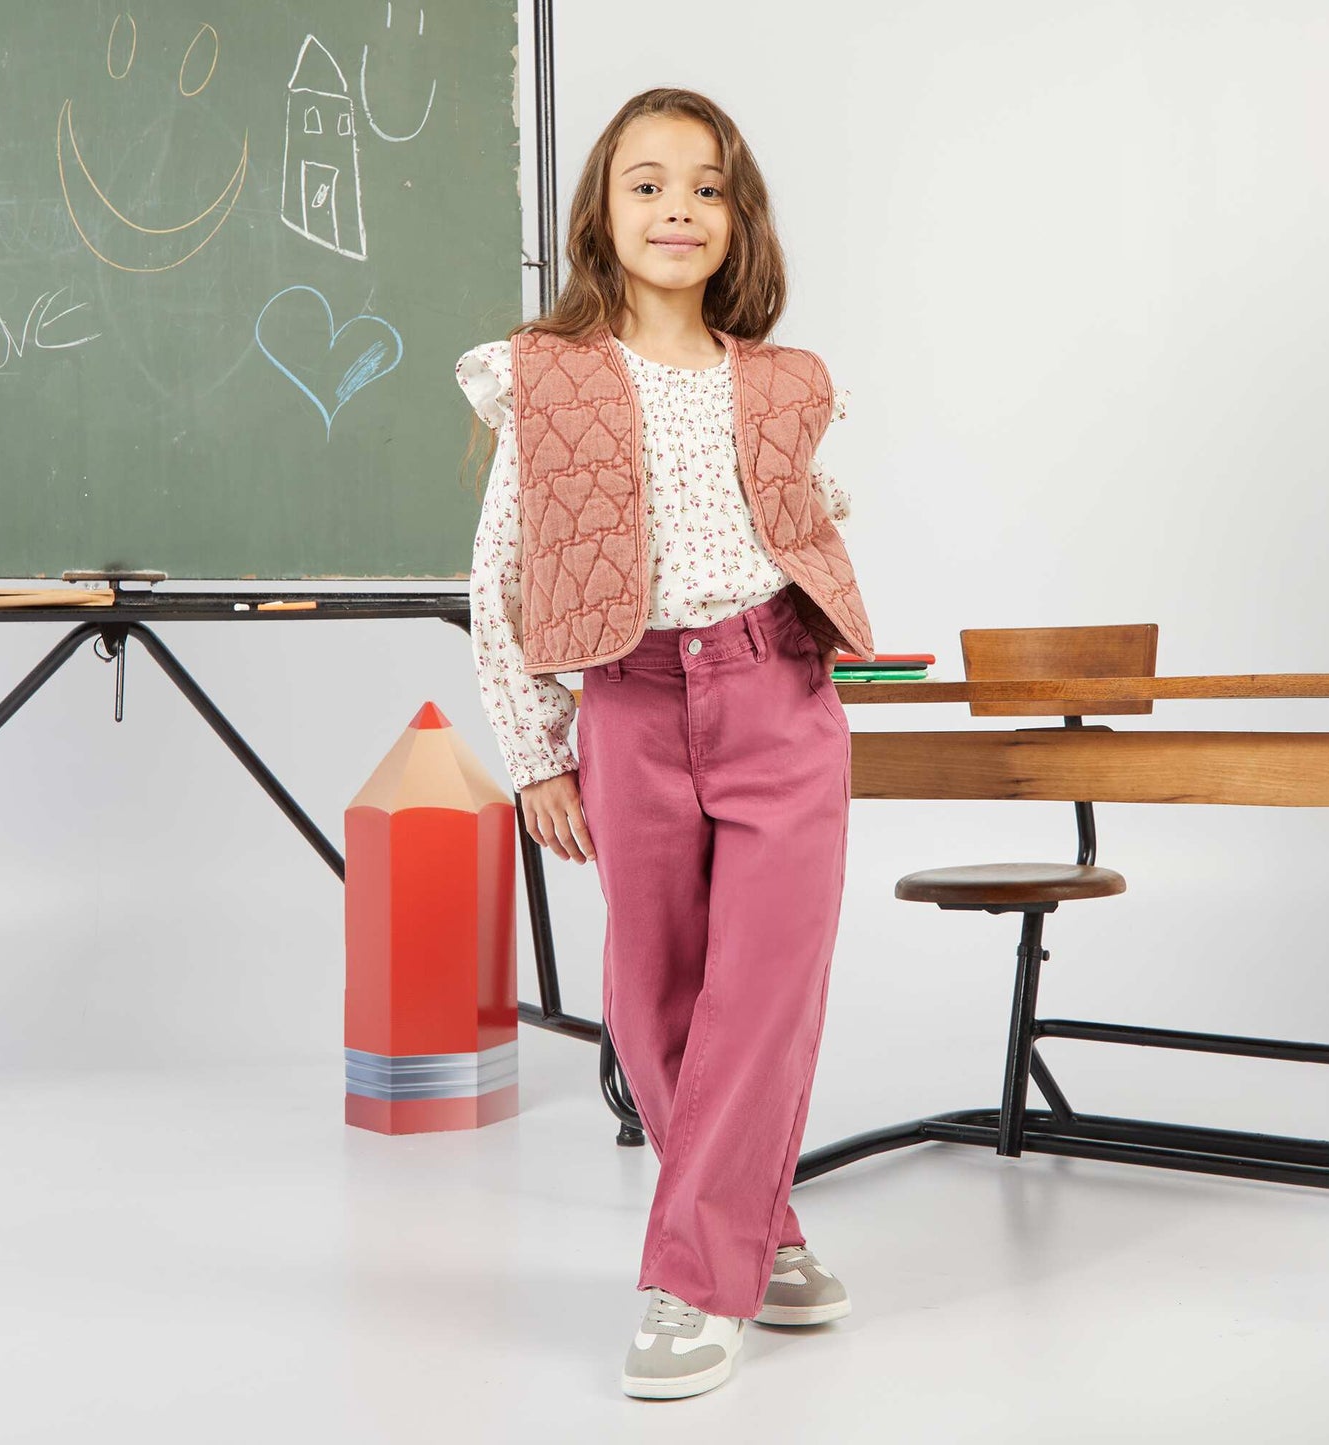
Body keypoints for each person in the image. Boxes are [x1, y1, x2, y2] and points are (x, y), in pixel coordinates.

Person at [455, 86, 877, 1401]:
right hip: (629, 707)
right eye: (646, 183)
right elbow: (503, 570)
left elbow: (808, 514)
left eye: (704, 187)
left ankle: (692, 1276)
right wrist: (534, 751)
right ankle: (765, 1226)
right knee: (652, 998)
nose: (676, 208)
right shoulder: (545, 373)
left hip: (776, 698)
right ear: (601, 213)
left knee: (760, 992)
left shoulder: (781, 382)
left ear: (735, 221)